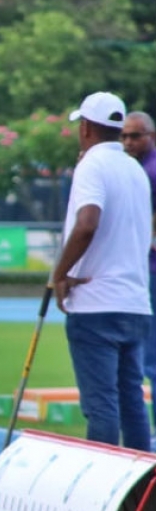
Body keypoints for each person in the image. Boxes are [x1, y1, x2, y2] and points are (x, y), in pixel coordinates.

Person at [54, 92, 152, 450]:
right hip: (135, 303)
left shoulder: (91, 166)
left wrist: (59, 273)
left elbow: (87, 223)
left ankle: (100, 493)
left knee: (102, 406)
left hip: (96, 304)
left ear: (85, 128)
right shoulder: (135, 170)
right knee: (132, 404)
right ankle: (145, 494)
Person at [123, 111, 156, 440]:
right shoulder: (138, 170)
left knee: (150, 363)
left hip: (150, 273)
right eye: (124, 136)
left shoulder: (149, 172)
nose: (129, 142)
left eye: (136, 136)